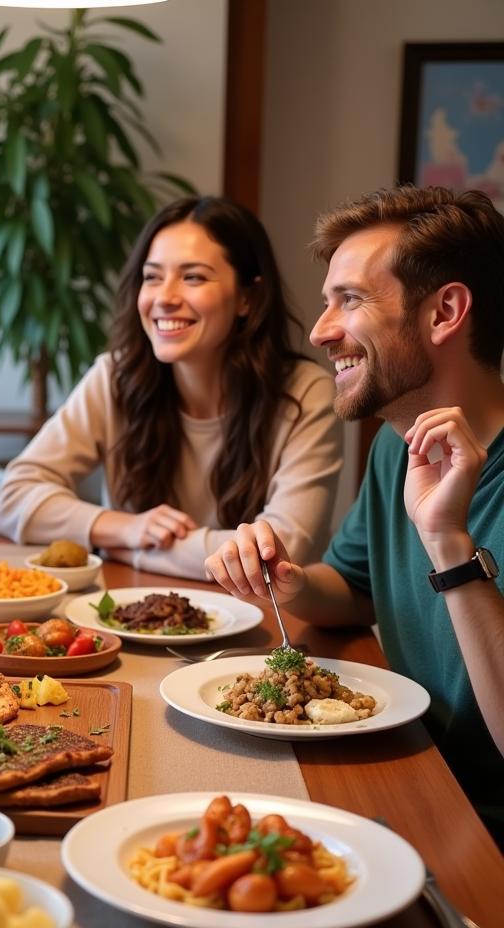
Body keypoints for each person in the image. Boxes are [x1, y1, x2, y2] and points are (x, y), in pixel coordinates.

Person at [204, 185, 504, 844]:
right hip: (404, 783)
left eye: (351, 300)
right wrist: (289, 578)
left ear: (445, 312)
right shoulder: (400, 449)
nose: (319, 331)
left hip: (483, 838)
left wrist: (448, 543)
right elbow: (355, 588)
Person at [0, 196, 344, 576]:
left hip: (257, 623)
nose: (164, 298)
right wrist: (126, 528)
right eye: (152, 276)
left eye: (193, 277)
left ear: (248, 297)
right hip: (128, 614)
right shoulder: (115, 376)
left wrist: (131, 551)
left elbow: (278, 552)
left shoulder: (306, 393)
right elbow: (13, 498)